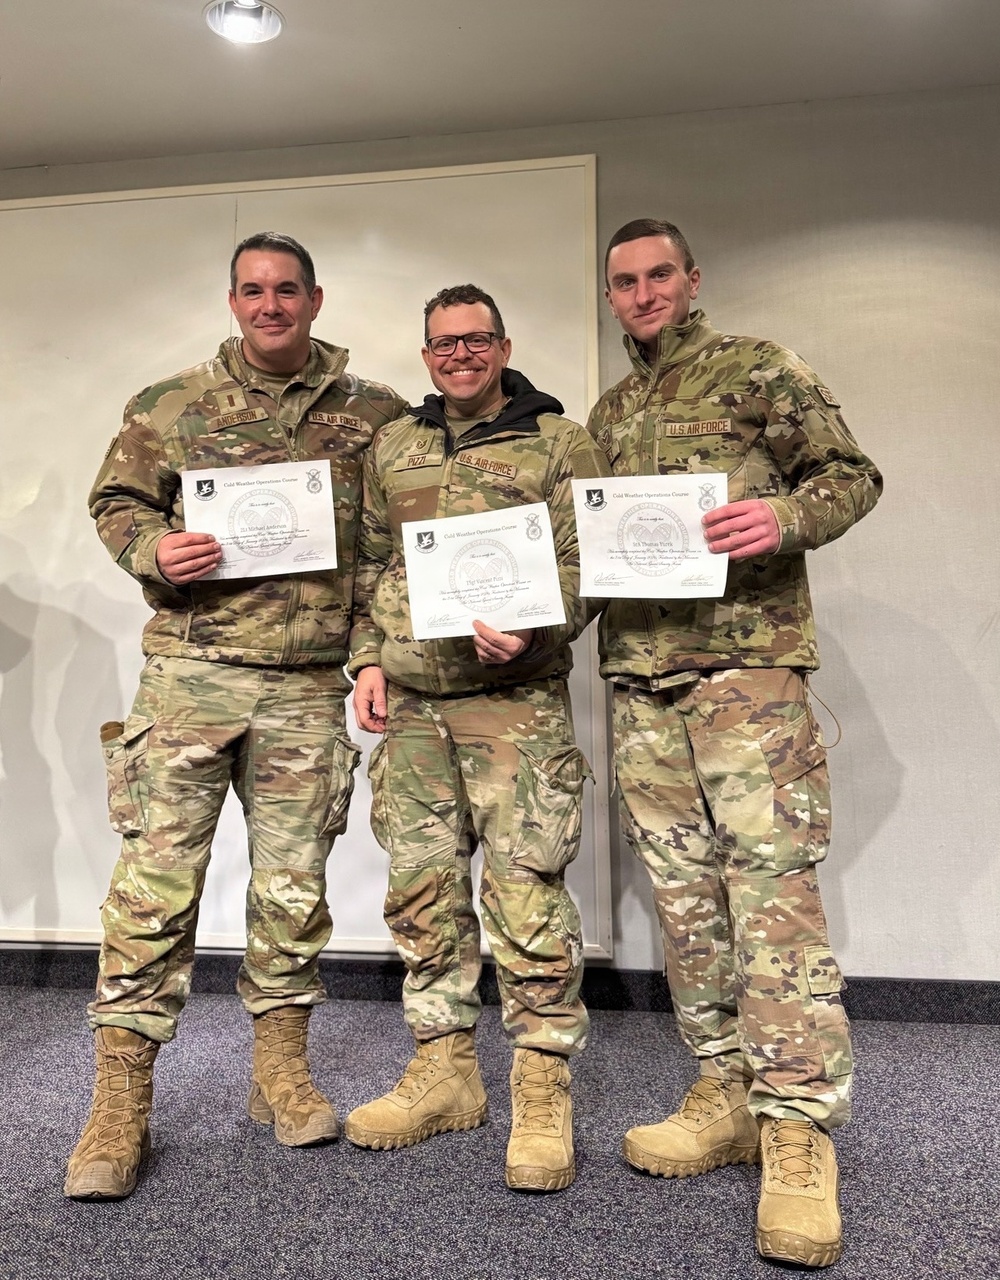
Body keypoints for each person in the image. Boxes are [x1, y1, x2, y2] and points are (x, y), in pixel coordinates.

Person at [64, 231, 407, 1200]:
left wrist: (373, 652)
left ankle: (279, 1072)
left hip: (305, 682)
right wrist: (153, 548)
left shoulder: (373, 413)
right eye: (253, 290)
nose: (270, 305)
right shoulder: (166, 404)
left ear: (315, 298)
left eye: (286, 290)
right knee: (152, 893)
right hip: (191, 676)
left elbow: (385, 550)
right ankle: (119, 1103)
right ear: (232, 301)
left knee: (292, 890)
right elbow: (116, 502)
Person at [589, 219, 882, 1266]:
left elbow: (850, 475)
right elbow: (588, 555)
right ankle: (724, 1088)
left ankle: (798, 1125)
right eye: (623, 280)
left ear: (690, 278)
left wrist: (781, 518)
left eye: (658, 273)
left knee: (772, 896)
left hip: (744, 679)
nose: (642, 292)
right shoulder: (609, 415)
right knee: (685, 904)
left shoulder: (760, 366)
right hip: (642, 685)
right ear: (612, 295)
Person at [345, 284, 610, 1192]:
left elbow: (586, 563)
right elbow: (372, 560)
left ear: (503, 345)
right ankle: (444, 1069)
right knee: (420, 890)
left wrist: (542, 627)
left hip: (515, 702)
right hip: (415, 706)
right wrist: (367, 659)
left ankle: (542, 1085)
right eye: (442, 343)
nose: (459, 354)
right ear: (426, 356)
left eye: (475, 339)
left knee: (526, 892)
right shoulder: (395, 446)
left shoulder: (559, 442)